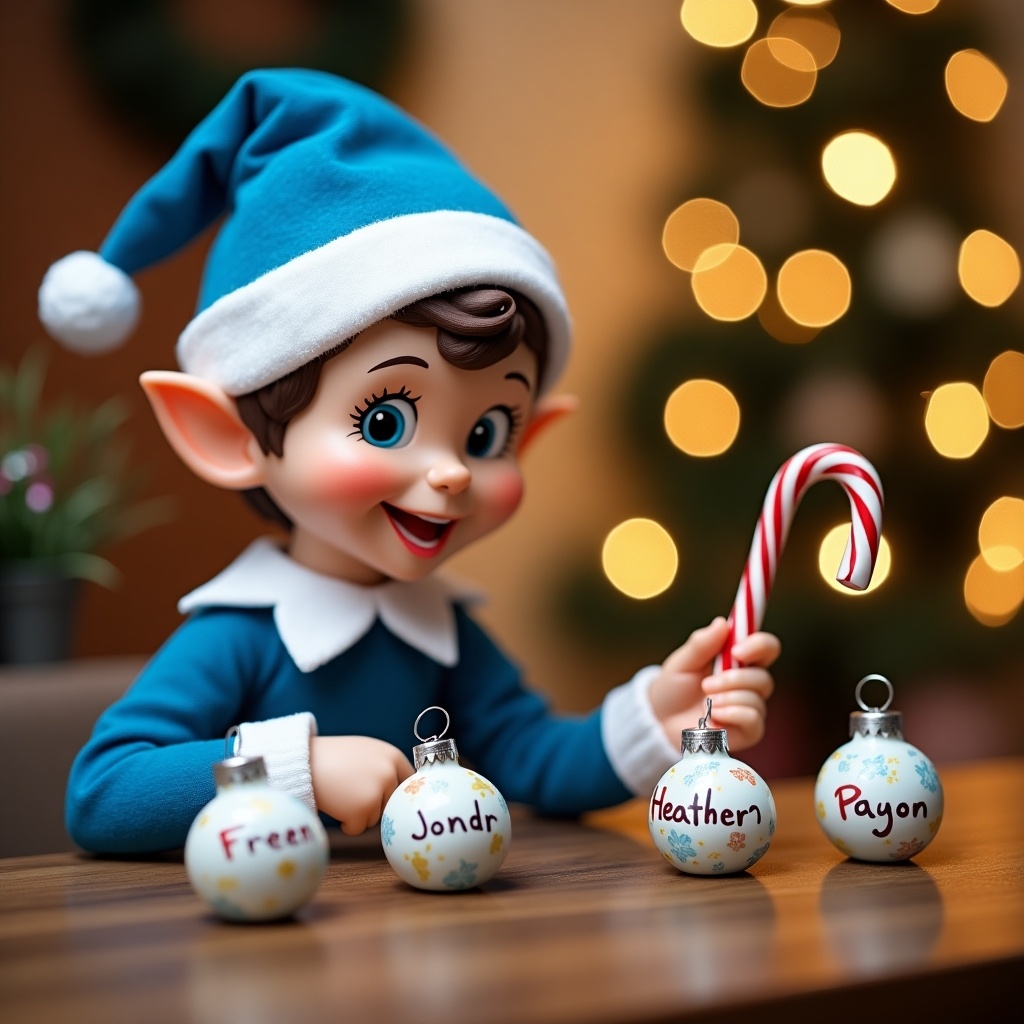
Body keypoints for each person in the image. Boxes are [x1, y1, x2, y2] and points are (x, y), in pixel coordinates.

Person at [40, 69, 779, 854]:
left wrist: (652, 720)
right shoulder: (241, 637)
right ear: (225, 435)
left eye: (488, 432)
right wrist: (300, 769)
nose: (454, 473)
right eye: (385, 420)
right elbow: (105, 791)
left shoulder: (442, 629)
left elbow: (532, 759)